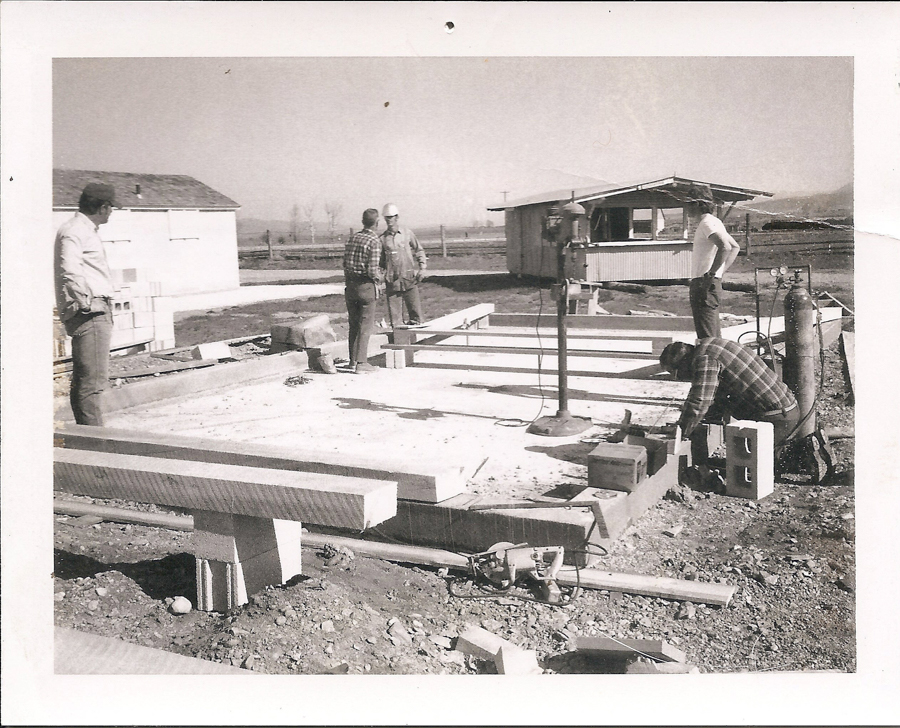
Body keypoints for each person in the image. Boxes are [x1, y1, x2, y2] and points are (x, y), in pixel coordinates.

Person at [659, 339, 800, 466]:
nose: (676, 378)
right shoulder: (710, 344)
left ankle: (798, 456)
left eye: (674, 373)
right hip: (787, 409)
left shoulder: (705, 360)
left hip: (776, 419)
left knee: (754, 467)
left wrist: (680, 432)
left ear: (683, 363)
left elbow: (699, 401)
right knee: (716, 402)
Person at [54, 182, 118, 425]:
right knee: (92, 383)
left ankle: (89, 435)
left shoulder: (82, 230)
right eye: (111, 207)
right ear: (102, 207)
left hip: (93, 309)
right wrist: (87, 303)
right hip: (91, 312)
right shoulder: (75, 230)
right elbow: (69, 270)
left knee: (87, 380)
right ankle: (95, 443)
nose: (112, 212)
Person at [685, 185, 740, 339]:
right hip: (709, 281)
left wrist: (711, 274)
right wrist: (719, 272)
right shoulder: (715, 221)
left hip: (703, 282)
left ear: (698, 204)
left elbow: (726, 247)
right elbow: (735, 247)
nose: (686, 207)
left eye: (689, 203)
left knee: (707, 337)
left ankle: (711, 362)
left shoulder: (707, 224)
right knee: (713, 334)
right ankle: (716, 362)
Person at [342, 208, 384, 373]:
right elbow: (372, 270)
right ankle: (362, 363)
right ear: (377, 223)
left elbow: (344, 263)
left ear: (363, 222)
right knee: (365, 325)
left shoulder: (353, 238)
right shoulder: (374, 241)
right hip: (365, 286)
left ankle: (352, 360)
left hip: (350, 285)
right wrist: (381, 279)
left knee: (353, 324)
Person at [380, 203, 426, 327]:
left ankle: (418, 343)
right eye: (387, 217)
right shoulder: (383, 239)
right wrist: (380, 279)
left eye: (391, 217)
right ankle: (399, 343)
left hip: (409, 279)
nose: (389, 220)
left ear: (397, 217)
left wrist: (422, 268)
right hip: (393, 282)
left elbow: (419, 250)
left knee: (417, 317)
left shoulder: (407, 233)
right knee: (396, 322)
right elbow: (381, 263)